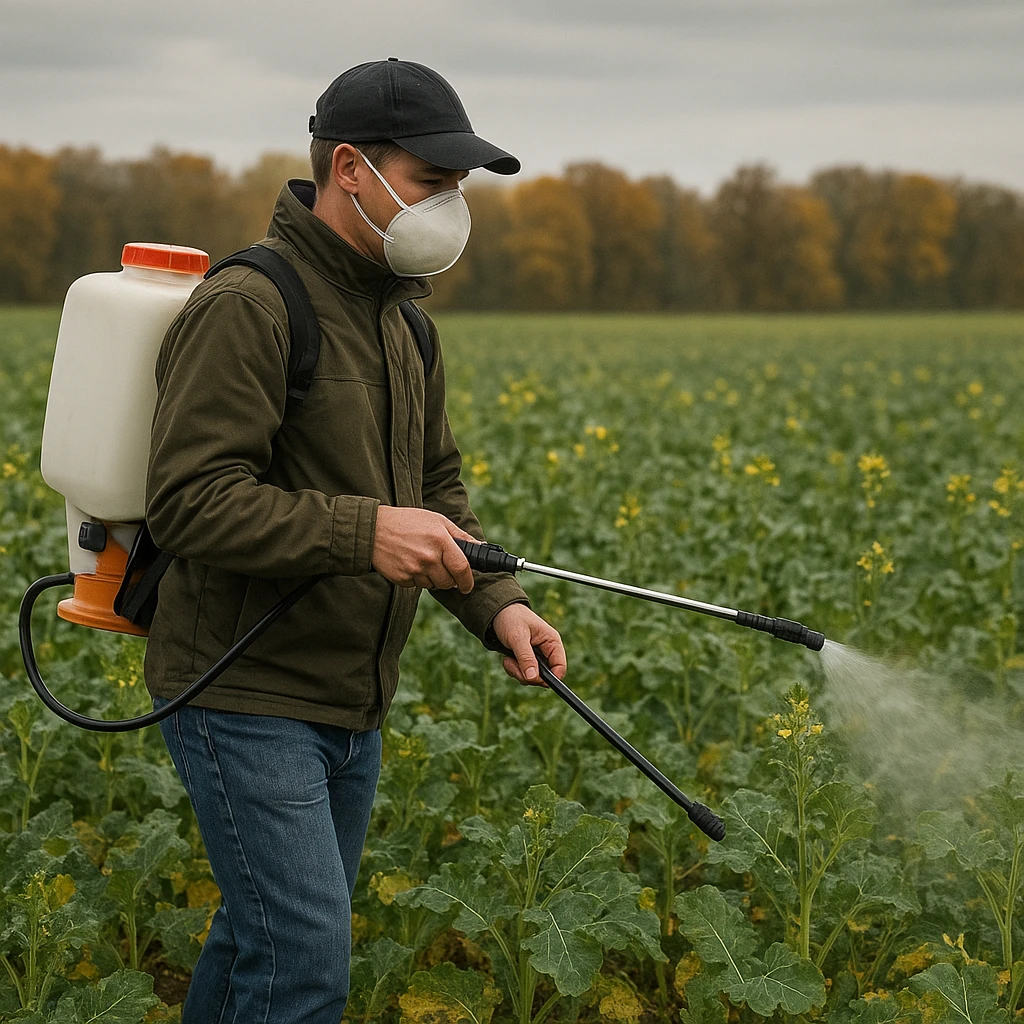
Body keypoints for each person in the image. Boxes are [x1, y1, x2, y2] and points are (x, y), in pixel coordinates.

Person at [143, 58, 567, 1024]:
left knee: (259, 941)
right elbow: (190, 502)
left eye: (459, 187)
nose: (451, 207)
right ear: (349, 169)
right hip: (241, 688)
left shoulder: (404, 324)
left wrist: (499, 608)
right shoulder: (250, 304)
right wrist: (365, 530)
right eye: (433, 181)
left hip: (349, 692)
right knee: (302, 963)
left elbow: (435, 490)